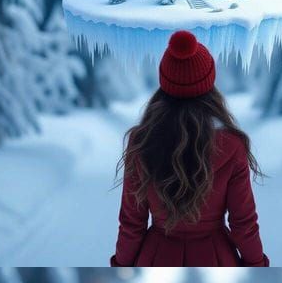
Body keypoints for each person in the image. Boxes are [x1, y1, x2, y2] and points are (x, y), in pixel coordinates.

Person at [111, 30, 269, 266]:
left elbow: (132, 224)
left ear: (165, 82)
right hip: (216, 257)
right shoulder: (232, 145)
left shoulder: (141, 141)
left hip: (156, 257)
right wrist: (257, 265)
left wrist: (121, 266)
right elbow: (243, 223)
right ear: (209, 82)